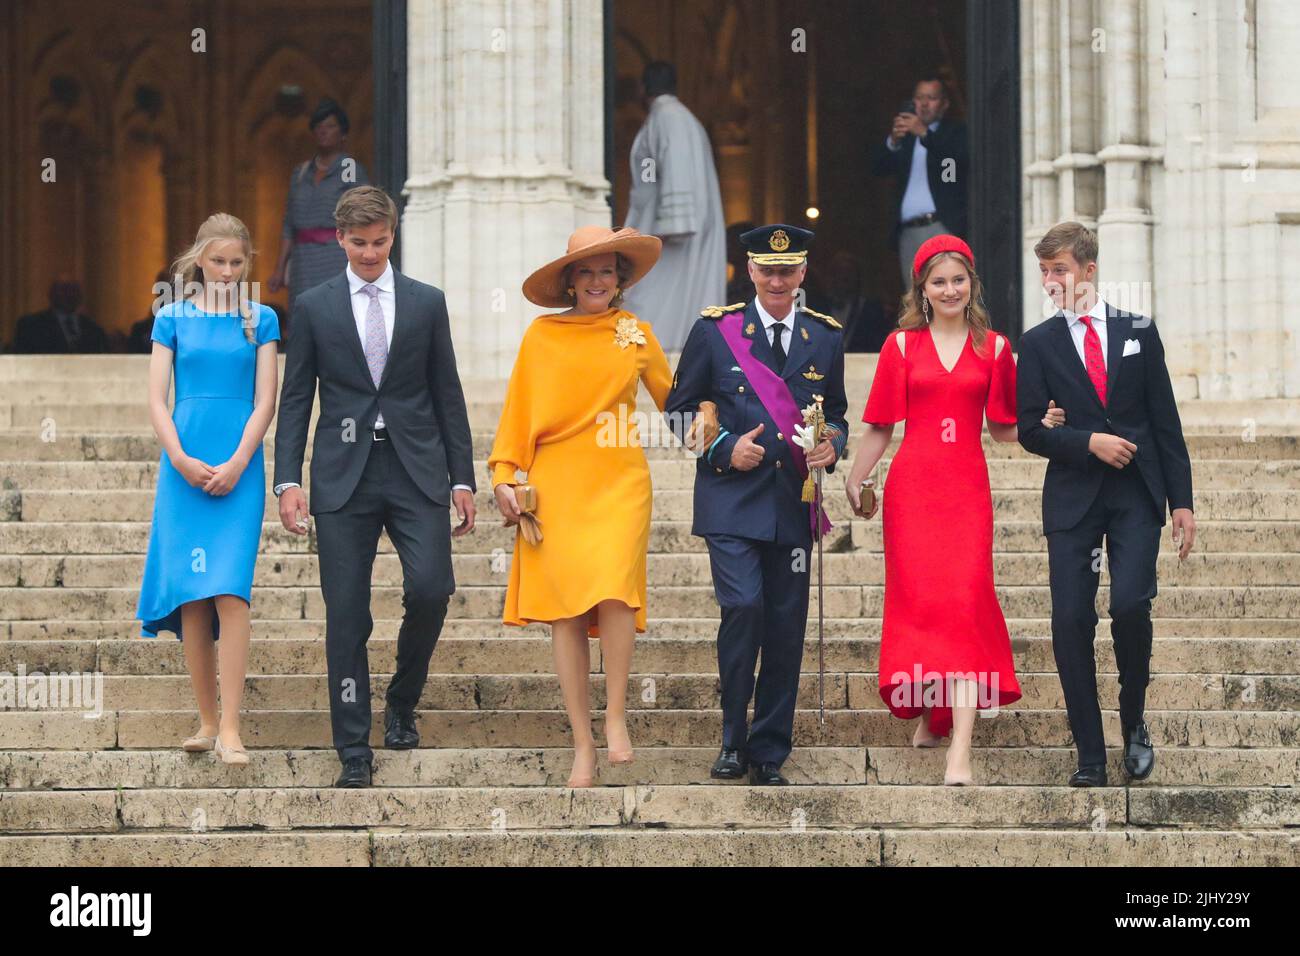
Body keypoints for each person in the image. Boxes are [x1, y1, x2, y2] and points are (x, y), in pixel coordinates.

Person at [272, 185, 477, 789]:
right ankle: (353, 748)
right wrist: (287, 479)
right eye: (358, 243)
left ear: (393, 236)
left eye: (379, 242)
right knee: (347, 617)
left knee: (434, 588)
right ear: (339, 238)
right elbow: (295, 400)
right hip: (341, 477)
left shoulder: (425, 302)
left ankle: (403, 700)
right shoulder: (312, 306)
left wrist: (462, 477)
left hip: (417, 470)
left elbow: (449, 393)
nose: (369, 253)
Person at [845, 235, 1066, 785]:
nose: (950, 290)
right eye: (938, 281)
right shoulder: (900, 346)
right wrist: (856, 475)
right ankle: (931, 714)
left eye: (958, 280)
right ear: (922, 289)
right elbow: (879, 425)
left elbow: (1004, 428)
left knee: (965, 603)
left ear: (972, 285)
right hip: (912, 490)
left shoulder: (994, 348)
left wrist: (1049, 423)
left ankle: (960, 750)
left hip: (966, 491)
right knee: (921, 605)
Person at [665, 224, 849, 786]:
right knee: (743, 608)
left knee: (786, 625)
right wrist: (723, 448)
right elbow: (676, 410)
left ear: (801, 274)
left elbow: (837, 413)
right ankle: (731, 738)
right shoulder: (716, 331)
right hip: (730, 502)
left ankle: (769, 749)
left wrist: (832, 444)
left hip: (793, 502)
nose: (776, 279)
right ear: (749, 271)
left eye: (787, 270)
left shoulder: (825, 337)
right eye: (766, 270)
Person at [489, 225, 670, 788]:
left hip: (620, 479)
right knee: (566, 611)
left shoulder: (635, 332)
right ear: (570, 280)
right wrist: (501, 475)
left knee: (616, 589)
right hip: (557, 480)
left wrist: (719, 426)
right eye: (587, 271)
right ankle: (583, 744)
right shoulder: (541, 335)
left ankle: (616, 716)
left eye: (607, 271)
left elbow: (680, 402)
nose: (598, 280)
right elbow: (519, 410)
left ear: (620, 280)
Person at [1017, 221, 1195, 787]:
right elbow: (1027, 430)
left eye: (1060, 270)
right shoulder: (1038, 343)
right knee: (1070, 619)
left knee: (1128, 607)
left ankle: (1135, 721)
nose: (1050, 281)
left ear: (1088, 271)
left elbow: (1166, 422)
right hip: (1073, 497)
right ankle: (1089, 750)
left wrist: (1182, 503)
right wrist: (1084, 441)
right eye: (1044, 271)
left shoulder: (1139, 330)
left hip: (1136, 496)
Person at [135, 213, 281, 767]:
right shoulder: (170, 317)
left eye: (236, 262)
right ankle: (207, 720)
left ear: (247, 264)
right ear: (200, 260)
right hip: (184, 464)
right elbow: (157, 398)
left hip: (239, 465)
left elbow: (265, 400)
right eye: (217, 261)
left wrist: (240, 461)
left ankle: (234, 729)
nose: (225, 271)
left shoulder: (260, 319)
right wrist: (179, 458)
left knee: (231, 590)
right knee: (194, 595)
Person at [622, 61, 726, 351]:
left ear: (644, 88)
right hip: (663, 230)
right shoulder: (675, 117)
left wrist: (669, 226)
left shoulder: (669, 117)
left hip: (669, 235)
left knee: (650, 303)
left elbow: (677, 168)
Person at [267, 98, 370, 317]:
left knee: (336, 312)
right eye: (319, 127)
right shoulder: (300, 173)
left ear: (343, 134)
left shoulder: (348, 168)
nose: (323, 131)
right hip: (303, 260)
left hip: (337, 256)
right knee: (304, 312)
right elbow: (289, 224)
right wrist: (278, 268)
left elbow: (363, 213)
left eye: (330, 126)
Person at [870, 77, 969, 290]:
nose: (924, 104)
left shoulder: (954, 132)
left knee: (946, 292)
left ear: (944, 104)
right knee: (915, 297)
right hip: (908, 232)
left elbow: (955, 158)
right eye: (919, 98)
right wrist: (893, 142)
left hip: (941, 226)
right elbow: (877, 168)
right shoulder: (906, 138)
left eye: (931, 98)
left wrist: (924, 133)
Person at [12, 278, 109, 353]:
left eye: (74, 290)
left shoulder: (93, 328)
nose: (69, 295)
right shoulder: (31, 325)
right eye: (64, 289)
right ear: (51, 294)